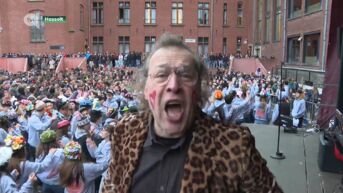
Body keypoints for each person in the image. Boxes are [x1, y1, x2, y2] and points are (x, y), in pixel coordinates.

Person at [101, 33, 283, 193]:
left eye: (185, 75)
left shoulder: (237, 147)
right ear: (145, 88)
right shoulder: (124, 133)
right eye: (161, 74)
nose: (173, 85)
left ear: (198, 89)